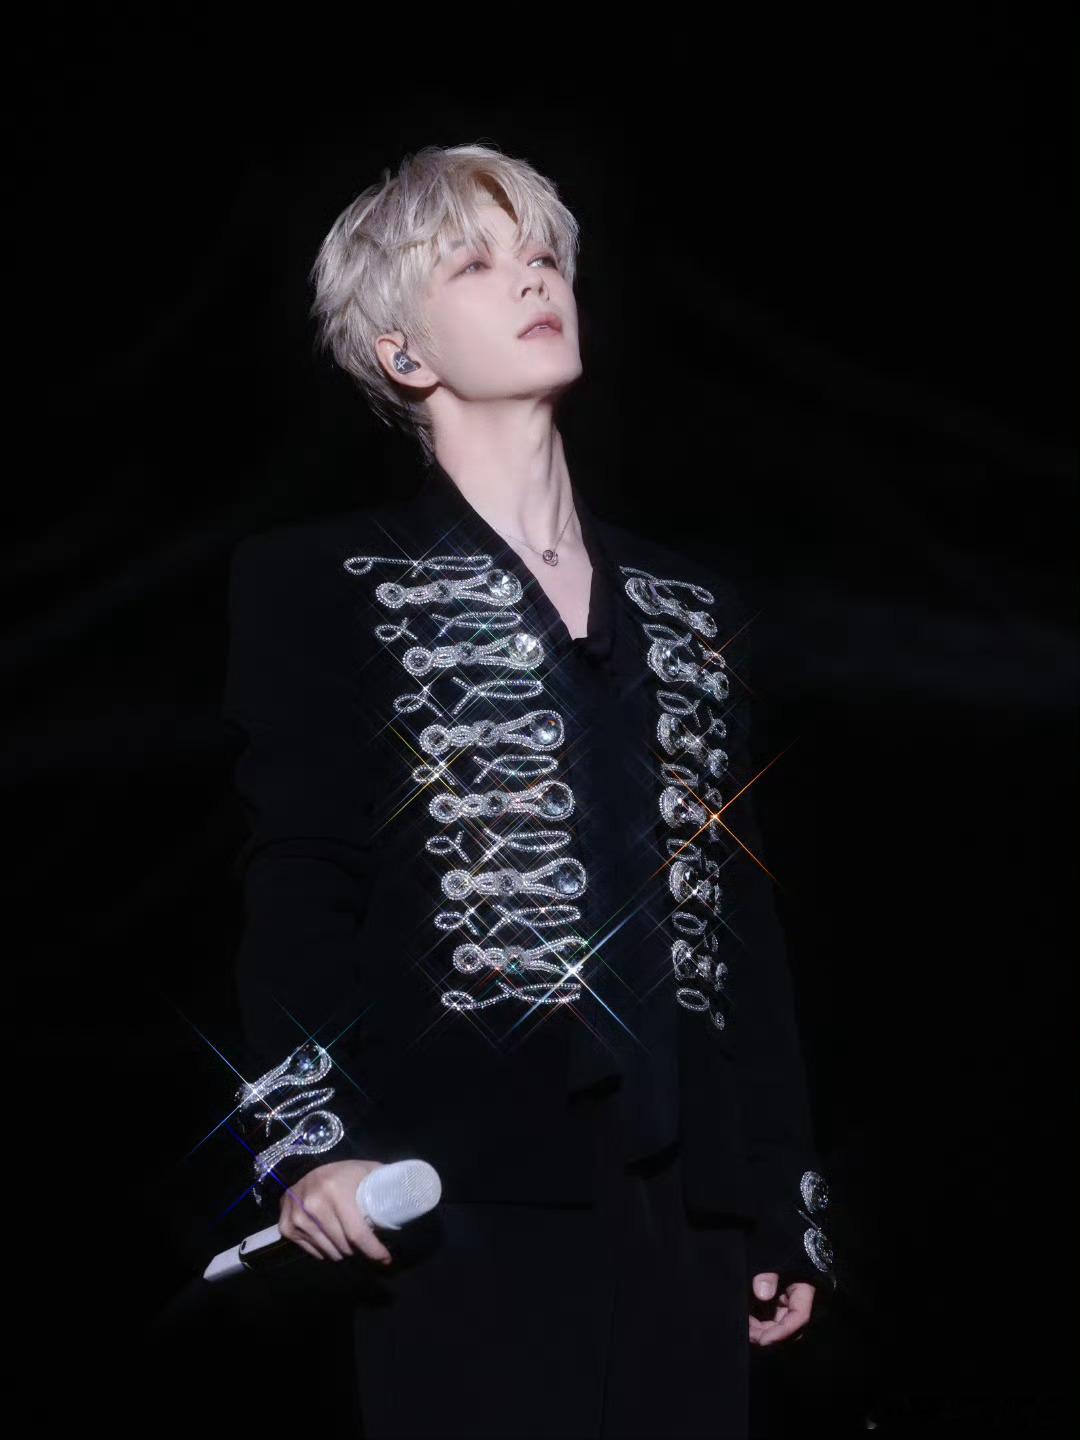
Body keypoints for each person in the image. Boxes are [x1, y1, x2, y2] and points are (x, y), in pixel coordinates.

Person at [221, 142, 838, 1437]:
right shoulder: (319, 580)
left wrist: (780, 1195)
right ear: (401, 352)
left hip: (688, 1199)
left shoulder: (690, 601)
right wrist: (315, 1143)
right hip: (455, 1185)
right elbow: (303, 874)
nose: (533, 277)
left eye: (546, 253)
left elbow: (741, 920)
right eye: (476, 262)